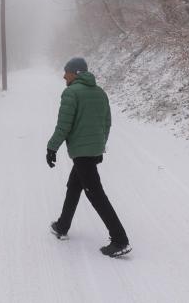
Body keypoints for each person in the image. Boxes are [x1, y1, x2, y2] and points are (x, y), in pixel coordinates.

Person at [46, 57, 131, 257]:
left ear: (76, 73)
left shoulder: (71, 93)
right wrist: (99, 147)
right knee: (74, 186)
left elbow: (64, 126)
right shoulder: (100, 93)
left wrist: (52, 148)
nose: (63, 75)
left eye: (66, 72)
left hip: (82, 152)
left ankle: (120, 240)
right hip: (91, 150)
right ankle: (62, 225)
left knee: (96, 194)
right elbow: (106, 123)